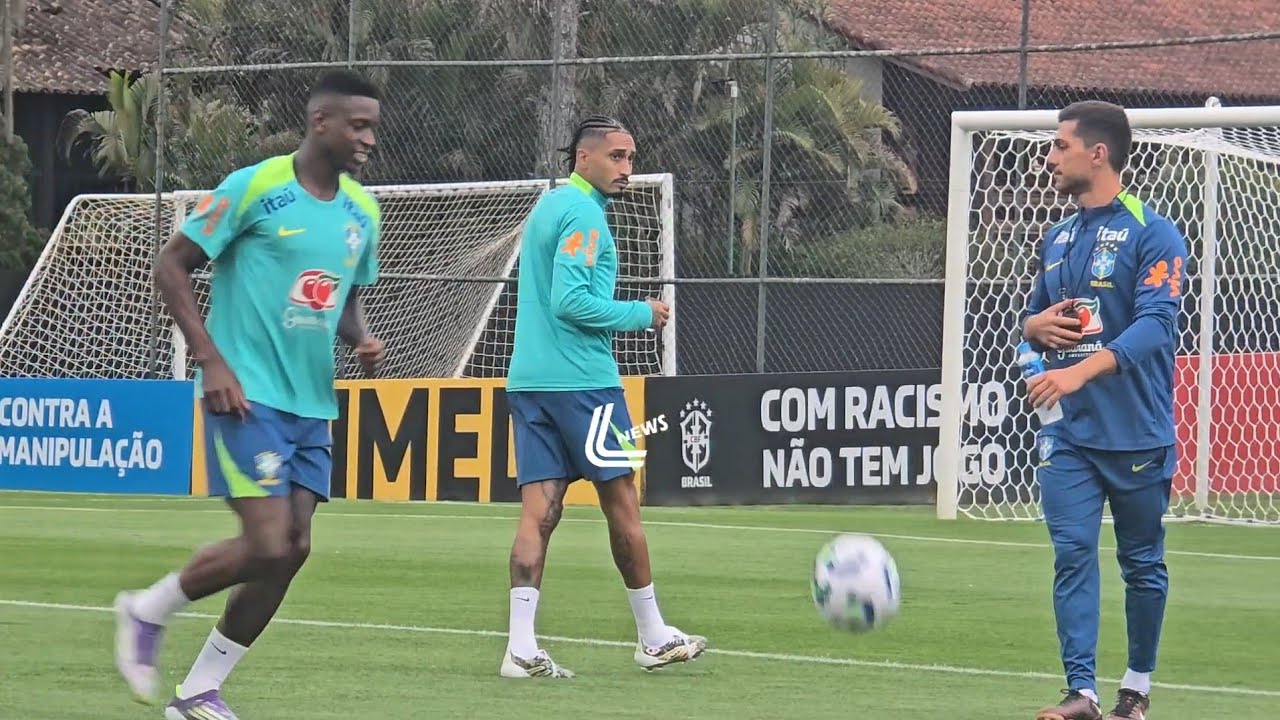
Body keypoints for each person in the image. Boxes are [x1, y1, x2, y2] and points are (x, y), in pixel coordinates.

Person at [112, 70, 386, 720]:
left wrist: (362, 339)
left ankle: (197, 693)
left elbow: (345, 300)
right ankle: (146, 610)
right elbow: (171, 265)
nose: (369, 139)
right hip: (245, 394)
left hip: (312, 405)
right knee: (266, 543)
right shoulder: (254, 187)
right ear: (321, 123)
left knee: (292, 552)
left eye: (373, 127)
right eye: (358, 125)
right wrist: (211, 361)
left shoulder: (362, 213)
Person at [499, 114, 705, 678]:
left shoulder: (548, 207)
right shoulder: (584, 213)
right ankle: (652, 635)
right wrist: (644, 312)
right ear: (582, 158)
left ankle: (519, 648)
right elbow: (571, 302)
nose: (627, 170)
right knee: (623, 503)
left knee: (539, 512)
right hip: (583, 385)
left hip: (530, 382)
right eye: (616, 157)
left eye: (631, 158)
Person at [1021, 100, 1187, 720]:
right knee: (1071, 552)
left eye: (1059, 145)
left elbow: (1155, 328)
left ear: (1098, 153)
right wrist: (1034, 328)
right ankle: (1082, 693)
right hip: (1070, 435)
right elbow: (1030, 329)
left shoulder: (1154, 231)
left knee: (1142, 564)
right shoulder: (1056, 237)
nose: (1049, 156)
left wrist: (1077, 372)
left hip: (1137, 432)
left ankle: (1136, 688)